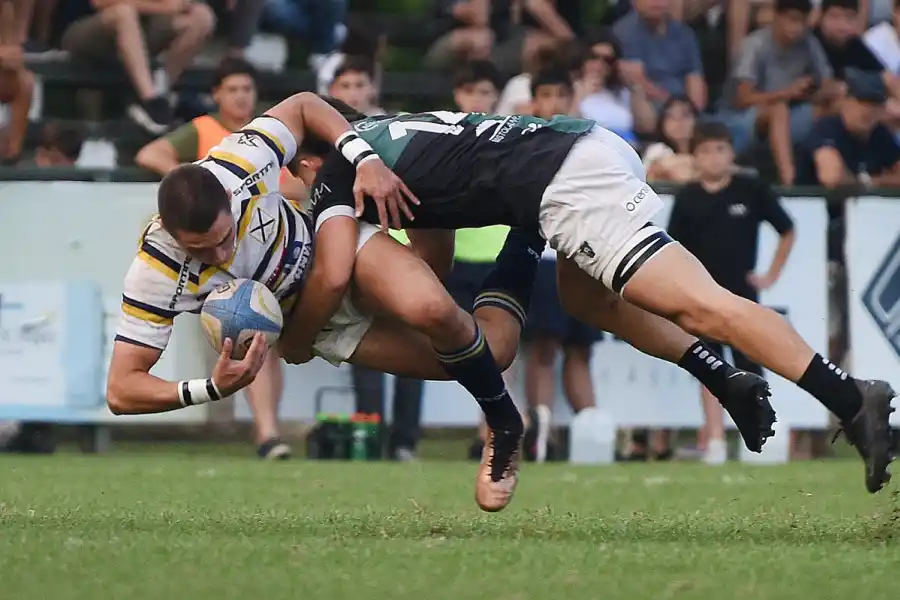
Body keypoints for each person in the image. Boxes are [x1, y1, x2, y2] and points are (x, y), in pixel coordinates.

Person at [292, 100, 897, 495]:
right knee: (589, 300)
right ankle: (720, 375)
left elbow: (339, 271)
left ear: (317, 158)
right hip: (577, 151)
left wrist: (304, 334)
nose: (297, 190)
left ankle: (849, 396)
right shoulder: (395, 138)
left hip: (566, 182)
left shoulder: (338, 174)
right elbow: (434, 259)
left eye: (297, 175)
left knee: (705, 305)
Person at [106, 91, 551, 513]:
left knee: (432, 308)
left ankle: (503, 422)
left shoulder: (238, 163)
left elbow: (303, 105)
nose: (220, 256)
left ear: (229, 198)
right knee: (492, 353)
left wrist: (365, 157)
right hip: (326, 328)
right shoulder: (155, 271)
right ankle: (526, 238)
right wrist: (210, 388)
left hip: (337, 248)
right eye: (200, 251)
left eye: (224, 238)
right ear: (169, 231)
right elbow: (122, 390)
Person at [134, 57, 303, 459]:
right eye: (233, 89)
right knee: (250, 331)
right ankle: (263, 431)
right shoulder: (202, 130)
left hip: (264, 248)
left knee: (263, 338)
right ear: (216, 95)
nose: (242, 97)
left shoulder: (266, 137)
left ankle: (266, 431)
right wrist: (197, 187)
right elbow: (150, 155)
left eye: (247, 89)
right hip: (210, 265)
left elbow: (295, 184)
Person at [668, 121, 796, 465]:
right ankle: (714, 440)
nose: (714, 157)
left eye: (720, 149)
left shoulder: (751, 189)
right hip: (700, 299)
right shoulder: (688, 197)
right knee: (710, 369)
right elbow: (672, 248)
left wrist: (770, 274)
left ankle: (760, 436)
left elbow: (787, 229)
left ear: (731, 152)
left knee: (751, 366)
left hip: (741, 298)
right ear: (694, 156)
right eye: (706, 150)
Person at [522, 68, 599, 462]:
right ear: (534, 102)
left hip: (585, 258)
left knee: (581, 350)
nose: (553, 104)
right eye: (545, 95)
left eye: (560, 96)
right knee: (543, 349)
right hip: (545, 259)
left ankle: (593, 435)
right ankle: (540, 434)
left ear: (573, 101)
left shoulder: (591, 142)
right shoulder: (522, 141)